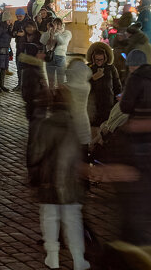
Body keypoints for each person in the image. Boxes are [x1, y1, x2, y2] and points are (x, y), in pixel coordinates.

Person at [28, 89, 90, 270]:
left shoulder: (46, 124)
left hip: (49, 181)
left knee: (50, 218)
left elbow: (35, 155)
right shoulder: (74, 124)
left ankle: (52, 257)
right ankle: (78, 259)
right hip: (70, 182)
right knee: (73, 220)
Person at [118, 48, 151, 236]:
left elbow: (125, 106)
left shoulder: (135, 79)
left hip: (141, 133)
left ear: (133, 65)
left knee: (145, 174)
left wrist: (123, 97)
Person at [86, 43, 121, 141]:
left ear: (105, 58)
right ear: (93, 58)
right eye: (97, 60)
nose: (99, 62)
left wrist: (117, 101)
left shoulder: (111, 69)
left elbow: (117, 86)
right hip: (93, 106)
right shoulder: (88, 68)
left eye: (101, 60)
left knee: (104, 133)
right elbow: (83, 87)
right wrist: (92, 79)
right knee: (93, 132)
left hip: (107, 105)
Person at [41, 18, 71, 88]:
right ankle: (51, 96)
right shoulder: (50, 32)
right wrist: (49, 31)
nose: (56, 26)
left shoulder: (67, 33)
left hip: (60, 57)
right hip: (50, 57)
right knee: (50, 81)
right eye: (55, 24)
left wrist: (56, 33)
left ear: (62, 25)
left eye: (58, 24)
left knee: (61, 81)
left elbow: (62, 42)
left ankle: (60, 96)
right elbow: (43, 41)